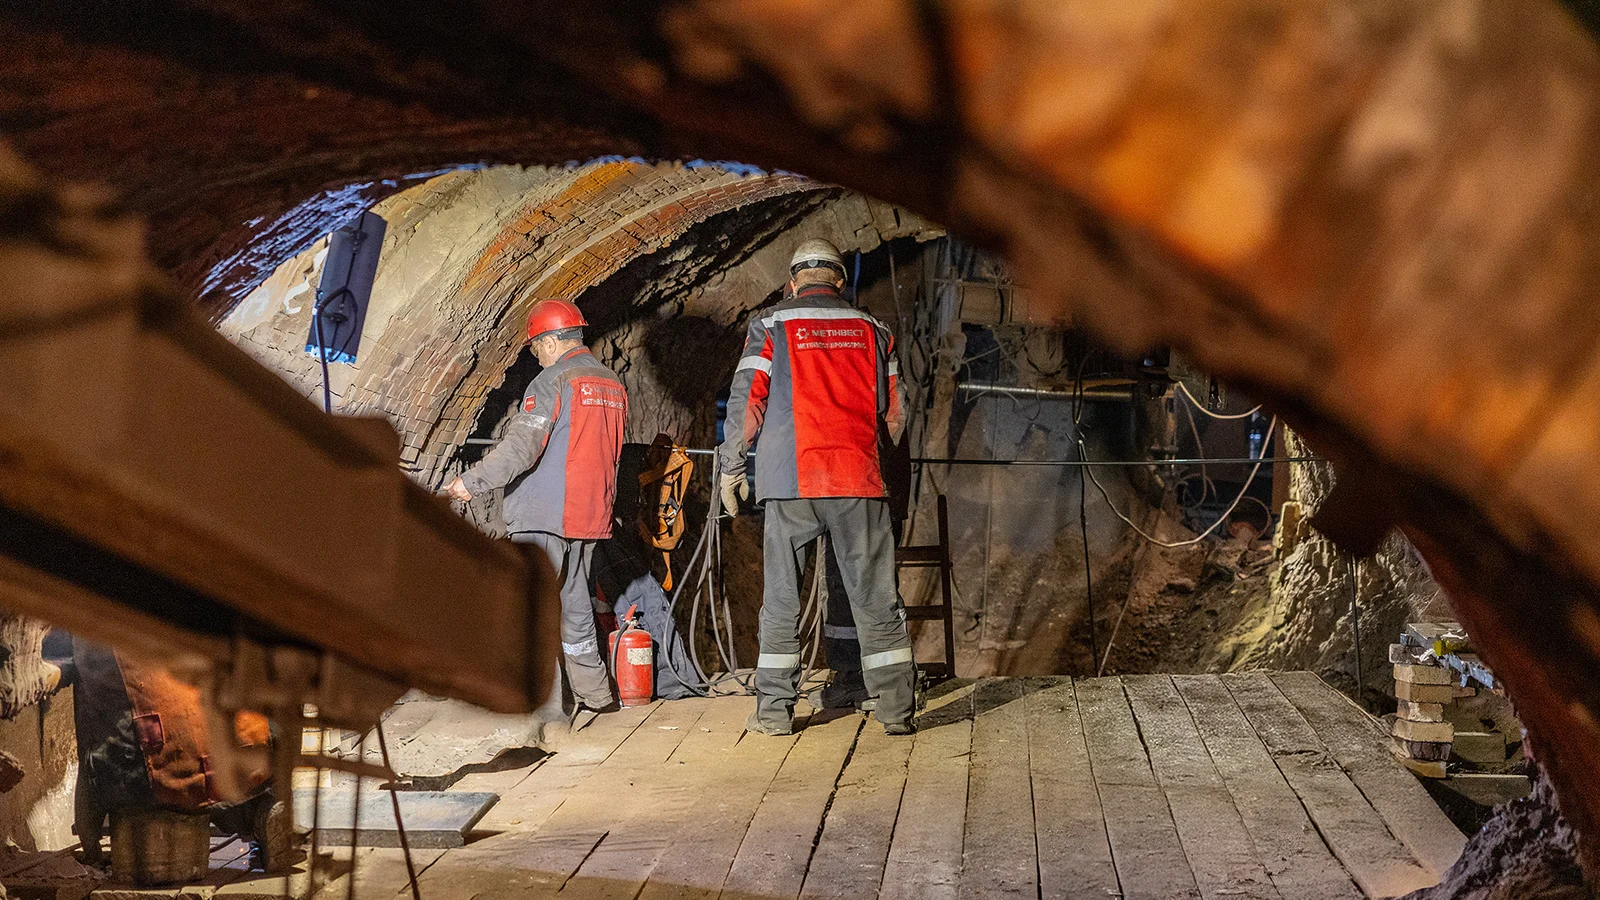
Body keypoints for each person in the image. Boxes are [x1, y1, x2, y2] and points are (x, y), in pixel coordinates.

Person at [719, 238, 915, 736]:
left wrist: (731, 468)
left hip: (790, 483)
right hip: (858, 481)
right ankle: (895, 712)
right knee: (876, 599)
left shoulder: (770, 324)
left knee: (783, 599)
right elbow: (894, 417)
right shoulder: (874, 330)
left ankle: (774, 714)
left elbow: (748, 404)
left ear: (792, 282)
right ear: (839, 281)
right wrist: (886, 481)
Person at [447, 298, 628, 714]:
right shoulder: (611, 384)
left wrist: (470, 482)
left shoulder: (553, 381)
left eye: (536, 348)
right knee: (576, 607)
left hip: (546, 514)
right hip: (589, 516)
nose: (538, 357)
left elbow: (522, 448)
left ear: (550, 342)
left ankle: (545, 711)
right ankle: (597, 695)